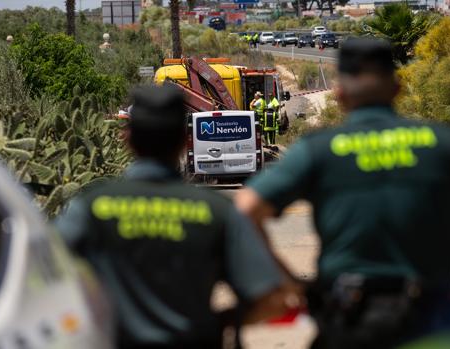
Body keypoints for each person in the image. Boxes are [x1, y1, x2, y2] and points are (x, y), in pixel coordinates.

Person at [235, 38, 450, 348]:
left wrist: (294, 286)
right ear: (397, 88)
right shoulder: (444, 143)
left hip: (350, 323)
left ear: (340, 95)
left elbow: (245, 209)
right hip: (434, 324)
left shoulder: (317, 151)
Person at [56, 85, 300, 349]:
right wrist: (219, 323)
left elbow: (41, 276)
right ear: (185, 141)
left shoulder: (91, 208)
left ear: (127, 139)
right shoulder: (219, 212)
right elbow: (273, 300)